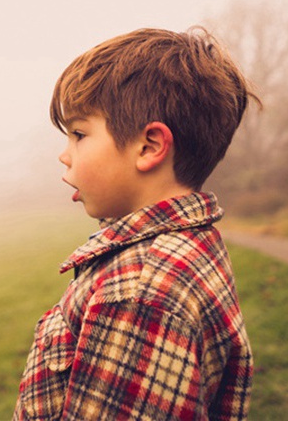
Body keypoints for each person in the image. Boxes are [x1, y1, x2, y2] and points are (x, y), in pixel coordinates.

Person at [13, 28, 255, 421]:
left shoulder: (139, 293)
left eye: (78, 134)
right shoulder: (190, 244)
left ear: (149, 147)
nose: (64, 155)